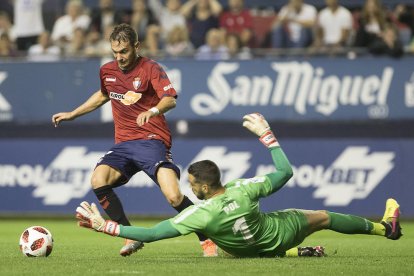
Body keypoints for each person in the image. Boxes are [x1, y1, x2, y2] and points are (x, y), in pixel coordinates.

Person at [75, 113, 403, 258]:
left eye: (190, 184)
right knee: (322, 217)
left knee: (233, 245)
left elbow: (151, 234)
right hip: (278, 236)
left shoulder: (200, 215)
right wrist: (266, 135)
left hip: (241, 251)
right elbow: (286, 172)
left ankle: (294, 255)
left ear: (202, 189)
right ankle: (383, 228)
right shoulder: (243, 189)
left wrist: (106, 227)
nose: (188, 188)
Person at [52, 23, 217, 257]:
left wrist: (154, 112)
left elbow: (170, 99)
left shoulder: (151, 68)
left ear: (136, 47)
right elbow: (103, 95)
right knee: (98, 179)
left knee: (174, 197)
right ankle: (130, 234)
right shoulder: (107, 71)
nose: (119, 57)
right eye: (115, 52)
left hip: (151, 140)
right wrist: (72, 114)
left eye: (124, 51)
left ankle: (207, 238)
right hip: (123, 145)